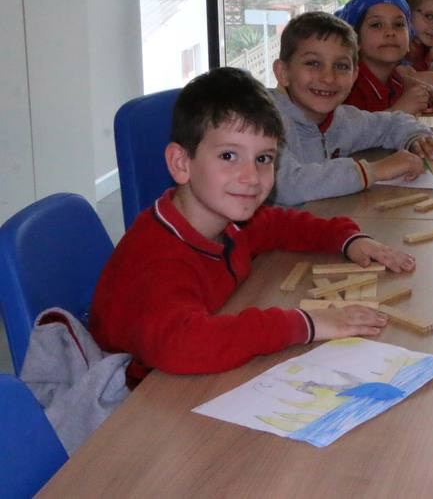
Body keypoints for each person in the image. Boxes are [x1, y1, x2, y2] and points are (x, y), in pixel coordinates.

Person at [89, 67, 415, 387]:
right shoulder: (159, 260)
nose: (251, 177)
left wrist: (347, 239)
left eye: (263, 159)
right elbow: (184, 345)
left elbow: (279, 225)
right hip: (138, 392)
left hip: (194, 368)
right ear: (181, 163)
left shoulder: (229, 220)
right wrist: (306, 323)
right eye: (229, 156)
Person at [270, 11, 433, 205]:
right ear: (283, 73)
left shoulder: (343, 120)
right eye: (313, 63)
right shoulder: (264, 123)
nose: (328, 78)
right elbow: (282, 184)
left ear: (354, 76)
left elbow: (392, 122)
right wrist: (372, 171)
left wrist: (416, 138)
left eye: (341, 66)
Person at [334, 0, 433, 114]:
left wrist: (428, 91)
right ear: (355, 40)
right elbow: (350, 127)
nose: (390, 32)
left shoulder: (394, 80)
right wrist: (399, 110)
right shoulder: (347, 86)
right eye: (376, 25)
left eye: (398, 24)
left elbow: (405, 82)